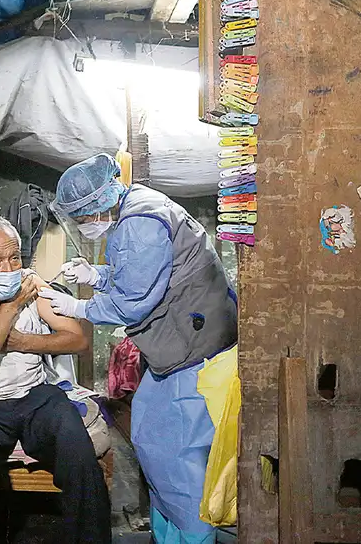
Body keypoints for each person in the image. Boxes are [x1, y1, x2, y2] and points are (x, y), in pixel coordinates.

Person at [39, 154, 238, 544]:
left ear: (99, 202)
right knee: (150, 437)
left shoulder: (141, 222)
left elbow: (134, 300)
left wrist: (79, 307)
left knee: (178, 457)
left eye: (83, 216)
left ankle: (193, 536)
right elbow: (144, 271)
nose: (84, 223)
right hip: (179, 350)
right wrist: (97, 275)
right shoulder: (135, 209)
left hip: (193, 355)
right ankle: (170, 534)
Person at [0, 218, 111, 544]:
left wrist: (22, 342)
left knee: (79, 457)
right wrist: (12, 306)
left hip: (34, 396)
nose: (9, 268)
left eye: (14, 257)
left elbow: (77, 340)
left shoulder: (30, 284)